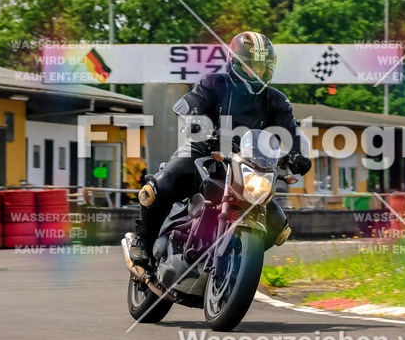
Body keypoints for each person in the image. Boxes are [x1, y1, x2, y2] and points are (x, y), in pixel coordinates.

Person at [125, 31, 312, 261]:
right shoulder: (213, 83)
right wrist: (195, 119)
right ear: (234, 62)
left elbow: (291, 129)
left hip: (246, 166)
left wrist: (297, 154)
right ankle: (143, 240)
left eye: (262, 66)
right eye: (251, 65)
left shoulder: (276, 100)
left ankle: (234, 263)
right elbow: (192, 102)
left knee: (277, 226)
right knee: (160, 186)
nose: (257, 72)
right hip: (203, 152)